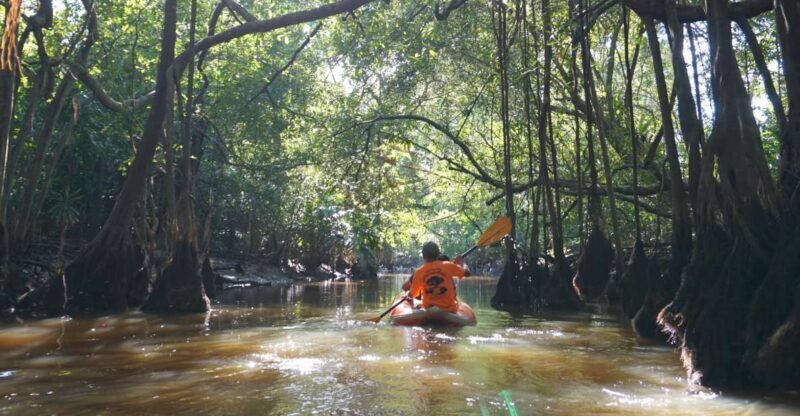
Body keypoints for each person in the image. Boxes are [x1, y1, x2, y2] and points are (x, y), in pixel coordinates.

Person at [402, 241, 470, 313]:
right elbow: (467, 273)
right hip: (449, 310)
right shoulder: (448, 265)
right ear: (438, 255)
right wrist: (462, 262)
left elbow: (412, 295)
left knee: (418, 305)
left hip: (429, 310)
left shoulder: (419, 272)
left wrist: (408, 295)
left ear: (423, 256)